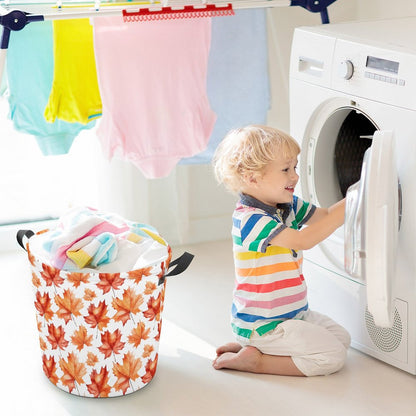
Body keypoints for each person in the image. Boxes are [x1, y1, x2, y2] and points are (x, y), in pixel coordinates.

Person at [212, 125, 351, 377]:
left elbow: (325, 216)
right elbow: (302, 240)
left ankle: (254, 348)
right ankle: (256, 360)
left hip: (294, 314)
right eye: (286, 169)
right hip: (265, 324)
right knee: (332, 356)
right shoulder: (250, 219)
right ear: (252, 178)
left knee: (343, 339)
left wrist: (357, 195)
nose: (295, 176)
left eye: (295, 167)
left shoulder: (286, 205)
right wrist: (354, 201)